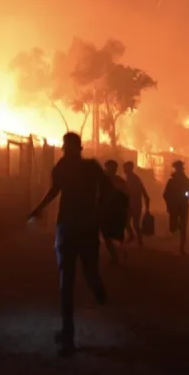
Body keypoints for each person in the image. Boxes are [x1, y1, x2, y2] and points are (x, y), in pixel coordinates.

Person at [28, 132, 112, 358]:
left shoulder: (72, 166)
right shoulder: (80, 167)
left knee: (81, 275)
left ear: (73, 147)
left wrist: (39, 208)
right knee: (69, 281)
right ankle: (68, 335)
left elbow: (56, 191)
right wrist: (39, 208)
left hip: (73, 227)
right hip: (75, 227)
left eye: (67, 146)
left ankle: (95, 290)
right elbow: (56, 191)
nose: (65, 149)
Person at [162, 160, 189, 255]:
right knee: (173, 228)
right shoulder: (171, 182)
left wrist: (187, 195)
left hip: (183, 207)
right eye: (178, 169)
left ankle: (181, 248)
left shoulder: (187, 182)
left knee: (183, 228)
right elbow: (165, 194)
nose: (179, 171)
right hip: (174, 207)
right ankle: (178, 239)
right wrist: (169, 204)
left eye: (180, 169)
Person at [101, 160, 129, 265]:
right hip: (105, 210)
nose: (111, 170)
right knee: (106, 234)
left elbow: (125, 197)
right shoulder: (103, 180)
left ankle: (119, 254)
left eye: (113, 168)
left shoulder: (119, 181)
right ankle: (116, 256)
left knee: (114, 235)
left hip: (115, 211)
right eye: (110, 167)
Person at [123, 161, 150, 247]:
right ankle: (133, 237)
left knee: (135, 224)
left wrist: (147, 208)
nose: (124, 170)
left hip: (136, 205)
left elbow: (143, 193)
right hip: (130, 204)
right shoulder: (128, 178)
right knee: (126, 222)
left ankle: (139, 241)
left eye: (126, 168)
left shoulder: (135, 179)